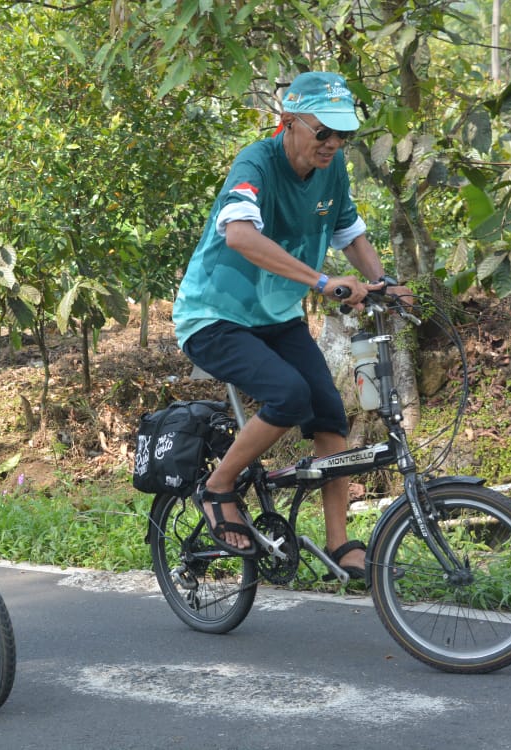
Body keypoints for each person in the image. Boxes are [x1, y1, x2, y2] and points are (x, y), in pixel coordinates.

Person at [172, 72, 410, 576]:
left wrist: (385, 283)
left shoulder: (333, 167)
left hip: (276, 318)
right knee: (289, 396)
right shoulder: (256, 162)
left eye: (342, 134)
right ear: (289, 123)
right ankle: (217, 487)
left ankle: (340, 545)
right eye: (323, 132)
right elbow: (239, 234)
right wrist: (323, 283)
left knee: (329, 414)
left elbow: (349, 230)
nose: (332, 144)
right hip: (214, 317)